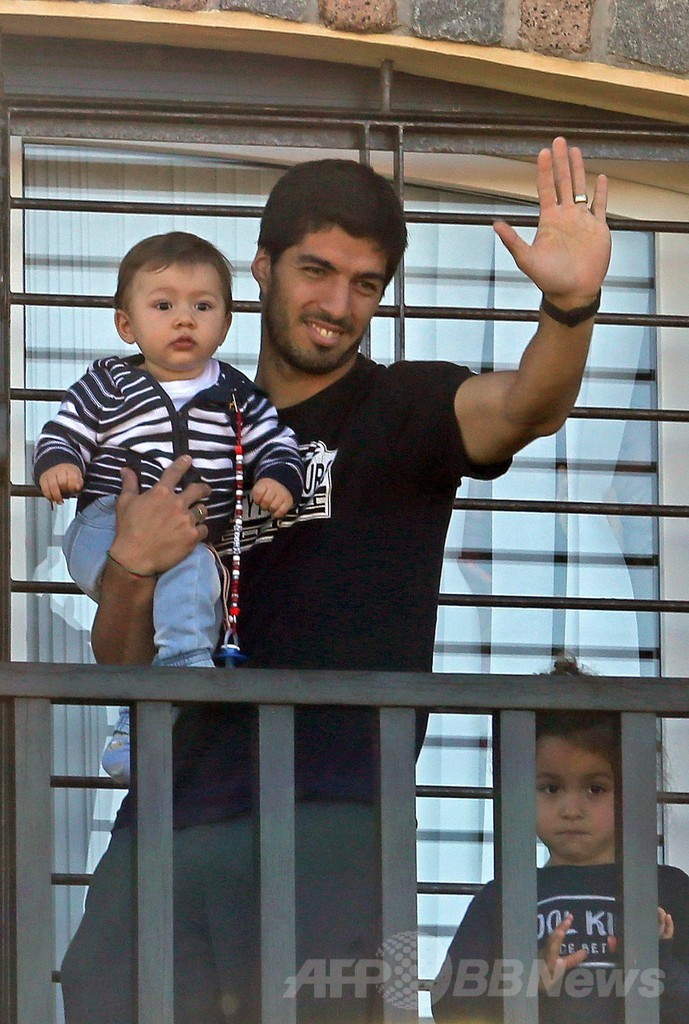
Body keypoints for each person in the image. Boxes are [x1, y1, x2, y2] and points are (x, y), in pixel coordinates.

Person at [60, 139, 612, 1023]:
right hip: (168, 809)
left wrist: (570, 306)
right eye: (316, 271)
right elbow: (126, 661)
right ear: (263, 267)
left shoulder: (402, 408)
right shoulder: (175, 431)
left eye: (364, 284)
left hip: (335, 814)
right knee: (102, 1000)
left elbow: (524, 407)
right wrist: (128, 566)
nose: (336, 305)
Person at [34, 231, 304, 782]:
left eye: (202, 307)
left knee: (194, 571)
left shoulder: (237, 395)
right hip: (104, 524)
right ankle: (184, 673)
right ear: (126, 325)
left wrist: (278, 477)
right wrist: (60, 464)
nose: (184, 319)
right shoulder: (109, 383)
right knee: (180, 573)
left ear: (225, 325)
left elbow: (278, 442)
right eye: (163, 306)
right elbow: (64, 430)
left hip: (191, 540)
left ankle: (134, 723)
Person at [431, 658, 689, 1023]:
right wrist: (524, 985)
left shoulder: (671, 889)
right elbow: (450, 1007)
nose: (571, 809)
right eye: (551, 788)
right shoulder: (500, 898)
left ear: (632, 790)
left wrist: (656, 961)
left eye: (595, 788)